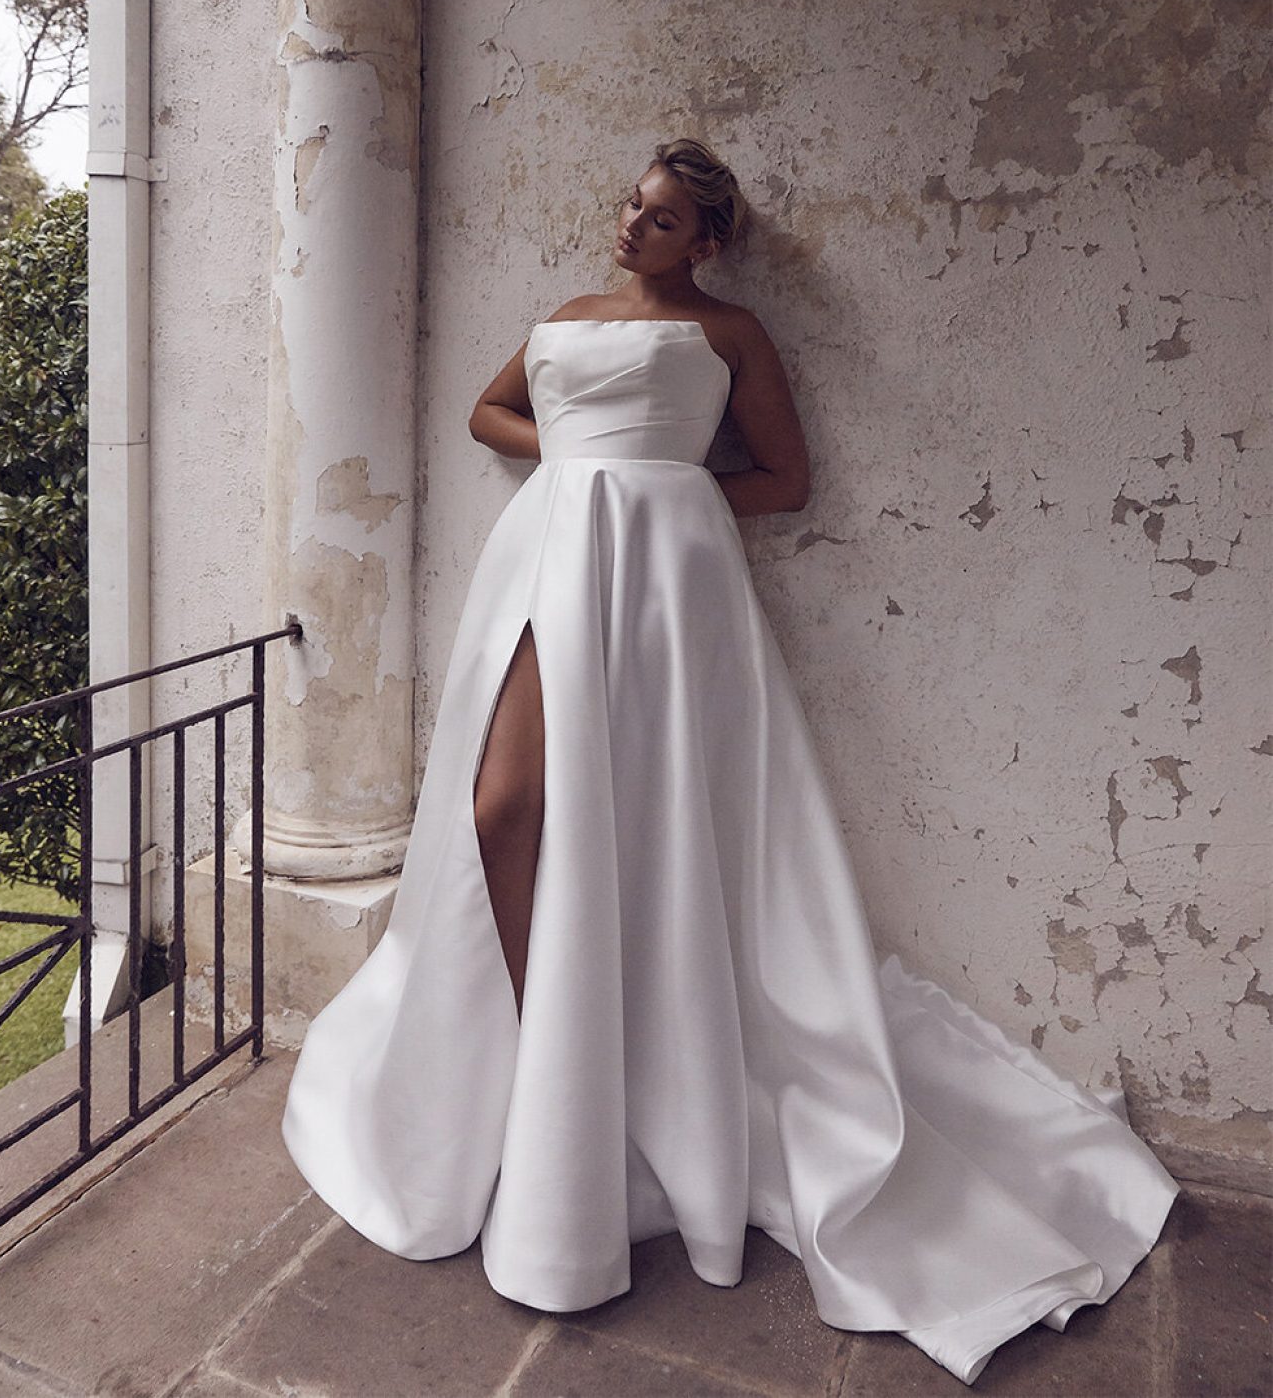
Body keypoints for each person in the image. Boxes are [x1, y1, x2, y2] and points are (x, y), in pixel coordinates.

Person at [280, 136, 1180, 1387]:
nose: (629, 228)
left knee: (652, 824)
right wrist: (583, 469)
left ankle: (630, 1061)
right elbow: (488, 410)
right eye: (628, 207)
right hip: (545, 561)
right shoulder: (567, 316)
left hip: (661, 588)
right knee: (505, 809)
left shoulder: (734, 334)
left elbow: (786, 480)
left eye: (656, 219)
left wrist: (667, 497)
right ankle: (550, 1043)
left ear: (705, 240)